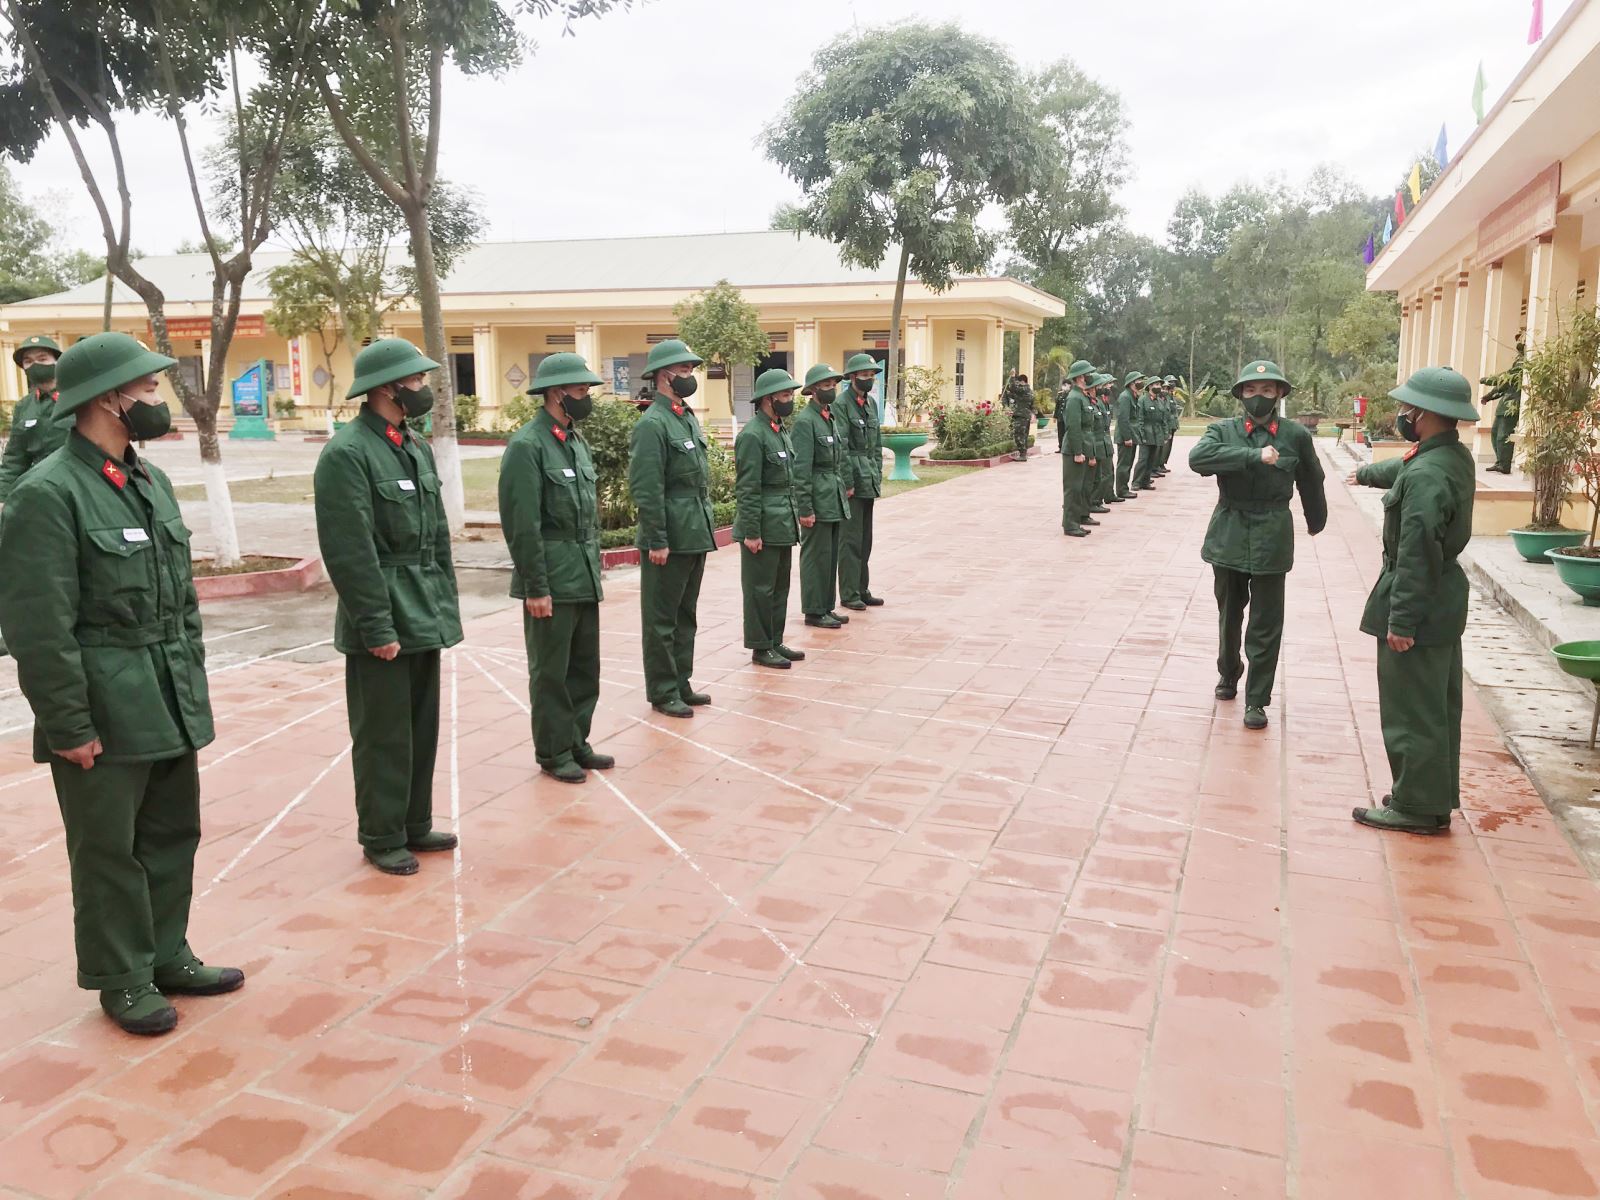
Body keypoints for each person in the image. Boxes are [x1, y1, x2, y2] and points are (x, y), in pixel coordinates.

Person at [0, 332, 242, 1036]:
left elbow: (182, 600)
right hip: (104, 703)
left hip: (166, 692)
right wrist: (69, 724)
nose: (155, 400)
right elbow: (39, 628)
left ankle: (168, 954)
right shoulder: (48, 494)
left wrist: (191, 676)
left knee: (172, 833)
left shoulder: (147, 481)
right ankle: (122, 978)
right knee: (109, 850)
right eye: (146, 389)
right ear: (108, 398)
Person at [315, 337, 462, 875]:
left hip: (423, 605)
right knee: (383, 733)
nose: (424, 389)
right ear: (386, 388)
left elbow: (437, 536)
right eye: (417, 381)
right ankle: (381, 834)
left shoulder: (413, 445)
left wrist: (445, 605)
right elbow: (350, 550)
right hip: (382, 610)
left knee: (421, 725)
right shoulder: (348, 453)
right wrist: (375, 624)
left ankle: (414, 823)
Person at [1348, 367, 1478, 834]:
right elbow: (1402, 468)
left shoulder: (1427, 475)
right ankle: (1428, 796)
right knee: (1437, 706)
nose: (1403, 415)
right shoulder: (1452, 458)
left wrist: (1401, 621)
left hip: (1418, 600)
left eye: (1408, 409)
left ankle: (1416, 808)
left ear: (1423, 414)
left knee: (1411, 710)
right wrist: (1364, 474)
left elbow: (1417, 552)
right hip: (1443, 601)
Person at [1189, 360, 1327, 731]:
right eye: (1251, 391)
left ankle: (1257, 699)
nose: (1259, 398)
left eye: (1267, 391)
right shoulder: (1223, 430)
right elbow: (1198, 459)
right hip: (1229, 531)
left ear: (1280, 394)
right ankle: (1229, 672)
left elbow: (1312, 478)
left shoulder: (1295, 435)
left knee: (1266, 623)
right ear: (1240, 396)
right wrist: (1252, 455)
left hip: (1271, 533)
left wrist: (1317, 520)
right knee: (1229, 613)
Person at [499, 352, 613, 784]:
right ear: (555, 393)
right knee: (551, 671)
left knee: (585, 668)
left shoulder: (575, 441)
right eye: (580, 390)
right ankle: (553, 750)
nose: (586, 397)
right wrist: (535, 586)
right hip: (550, 576)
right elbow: (522, 525)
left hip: (581, 572)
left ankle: (576, 739)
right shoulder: (527, 446)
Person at [628, 338, 717, 717]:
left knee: (685, 615)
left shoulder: (685, 416)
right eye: (683, 371)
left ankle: (681, 681)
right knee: (662, 619)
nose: (689, 376)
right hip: (670, 535)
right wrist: (657, 539)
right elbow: (647, 488)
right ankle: (663, 690)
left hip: (694, 530)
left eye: (691, 371)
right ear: (664, 376)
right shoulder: (653, 423)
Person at [735, 367, 808, 669]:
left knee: (779, 587)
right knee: (759, 590)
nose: (790, 399)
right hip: (763, 523)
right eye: (785, 394)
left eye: (790, 394)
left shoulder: (779, 430)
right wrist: (752, 531)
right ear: (768, 399)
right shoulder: (753, 435)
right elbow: (748, 487)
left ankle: (775, 640)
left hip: (782, 521)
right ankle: (760, 646)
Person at [794, 362, 852, 626]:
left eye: (833, 386)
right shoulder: (806, 422)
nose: (832, 390)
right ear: (814, 390)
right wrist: (804, 507)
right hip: (817, 495)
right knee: (816, 555)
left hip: (832, 494)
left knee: (829, 556)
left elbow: (839, 458)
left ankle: (826, 606)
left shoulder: (830, 416)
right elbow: (801, 468)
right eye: (827, 386)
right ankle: (814, 609)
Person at [838, 352, 885, 610]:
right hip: (853, 479)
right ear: (853, 377)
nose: (869, 379)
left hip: (868, 477)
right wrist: (847, 481)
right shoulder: (841, 404)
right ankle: (848, 592)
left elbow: (876, 444)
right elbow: (842, 447)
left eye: (871, 375)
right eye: (865, 375)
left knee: (865, 539)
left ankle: (861, 588)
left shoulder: (871, 404)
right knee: (850, 540)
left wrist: (876, 471)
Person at [0, 334, 70, 501]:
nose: (35, 365)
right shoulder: (24, 407)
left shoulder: (78, 397)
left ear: (57, 361)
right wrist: (2, 497)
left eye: (42, 358)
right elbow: (15, 458)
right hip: (41, 489)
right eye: (28, 361)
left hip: (79, 484)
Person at [1056, 359, 1097, 538]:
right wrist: (1078, 452)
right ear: (1080, 377)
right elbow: (1073, 427)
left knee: (1079, 487)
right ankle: (1070, 524)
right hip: (1074, 449)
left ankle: (1075, 520)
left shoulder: (1082, 396)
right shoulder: (1074, 398)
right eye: (1087, 374)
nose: (1090, 377)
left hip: (1084, 446)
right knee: (1073, 488)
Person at [1481, 335, 1524, 474]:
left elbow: (1504, 380)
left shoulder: (1522, 363)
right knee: (1495, 434)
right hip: (1505, 404)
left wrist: (1487, 380)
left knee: (1503, 436)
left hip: (1512, 405)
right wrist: (1488, 397)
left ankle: (1504, 464)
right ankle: (1500, 461)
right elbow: (1503, 386)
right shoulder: (1518, 361)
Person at [1130, 373, 1160, 491]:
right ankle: (1136, 482)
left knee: (1151, 460)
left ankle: (1145, 481)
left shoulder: (1157, 400)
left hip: (1155, 435)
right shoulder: (1143, 400)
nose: (1159, 387)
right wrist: (1141, 435)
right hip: (1145, 434)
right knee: (1143, 460)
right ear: (1150, 386)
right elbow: (1140, 419)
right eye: (1156, 384)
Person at [1114, 370, 1139, 501]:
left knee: (1128, 463)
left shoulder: (1133, 396)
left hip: (1131, 435)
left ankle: (1124, 488)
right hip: (1126, 437)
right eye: (1137, 381)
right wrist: (1127, 437)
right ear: (1131, 383)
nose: (1140, 383)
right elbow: (1123, 418)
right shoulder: (1125, 397)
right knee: (1124, 464)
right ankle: (1121, 490)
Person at [1005, 371, 1034, 461]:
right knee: (1024, 435)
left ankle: (1022, 455)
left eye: (1018, 382)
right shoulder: (1029, 391)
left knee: (1019, 435)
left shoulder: (1024, 389)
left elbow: (1013, 388)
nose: (1018, 384)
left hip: (1021, 416)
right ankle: (1023, 454)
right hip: (1025, 415)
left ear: (1022, 381)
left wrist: (1013, 377)